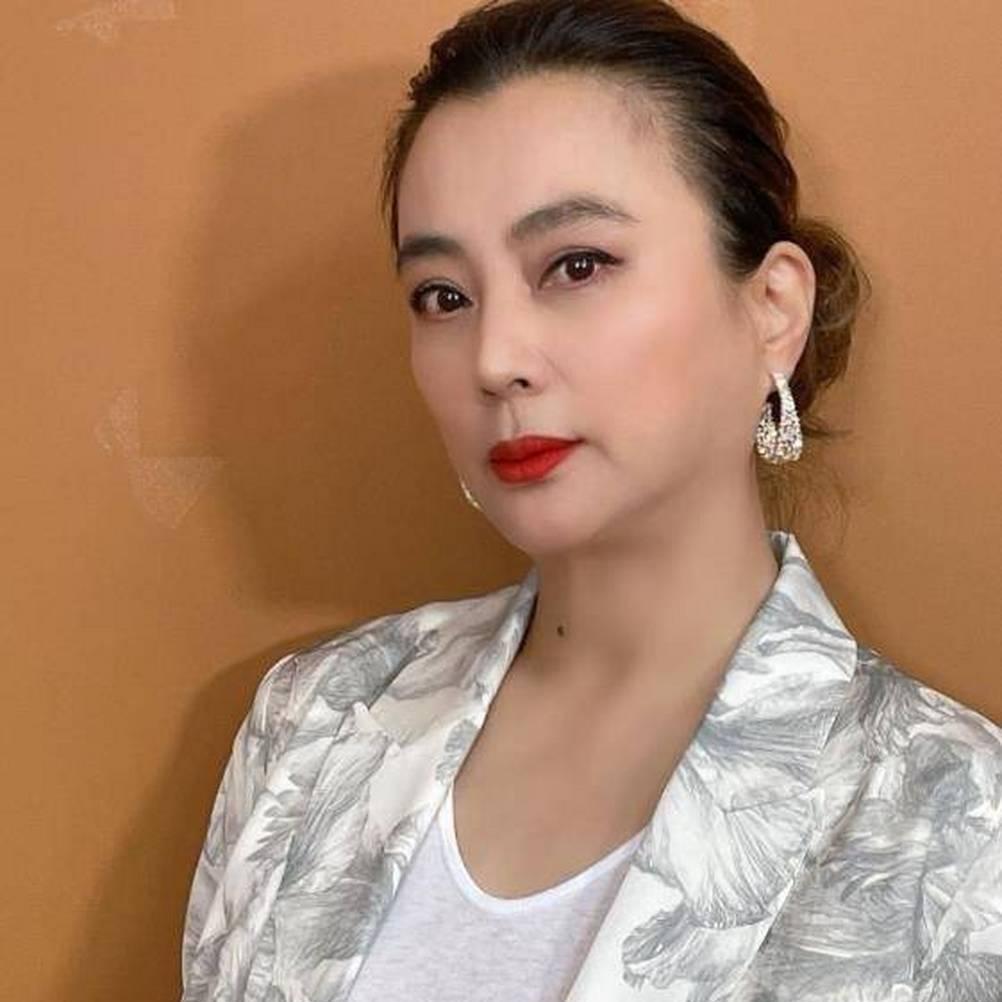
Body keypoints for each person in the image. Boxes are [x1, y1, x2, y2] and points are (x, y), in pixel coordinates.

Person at [180, 2, 1002, 1000]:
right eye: (443, 295)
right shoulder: (316, 723)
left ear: (773, 309)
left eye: (577, 265)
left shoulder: (955, 828)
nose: (494, 358)